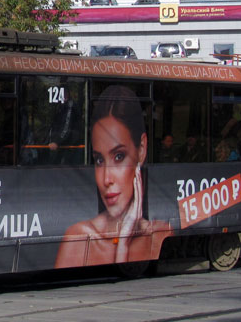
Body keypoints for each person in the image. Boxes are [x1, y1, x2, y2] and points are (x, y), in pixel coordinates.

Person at [55, 85, 171, 268]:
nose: (106, 179)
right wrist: (122, 246)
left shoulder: (162, 231)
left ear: (141, 149)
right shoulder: (79, 236)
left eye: (119, 156)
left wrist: (124, 242)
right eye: (99, 160)